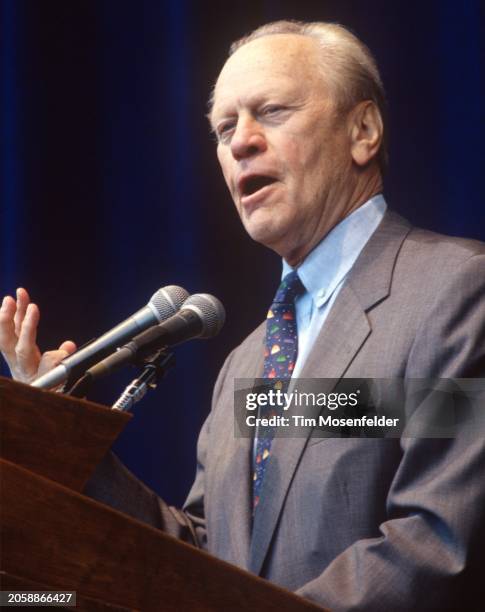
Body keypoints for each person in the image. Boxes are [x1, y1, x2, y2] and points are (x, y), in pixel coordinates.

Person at [1, 20, 484, 612]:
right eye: (224, 128)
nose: (240, 143)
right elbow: (207, 561)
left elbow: (435, 544)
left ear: (363, 131)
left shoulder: (453, 290)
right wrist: (63, 437)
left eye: (271, 111)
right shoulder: (246, 364)